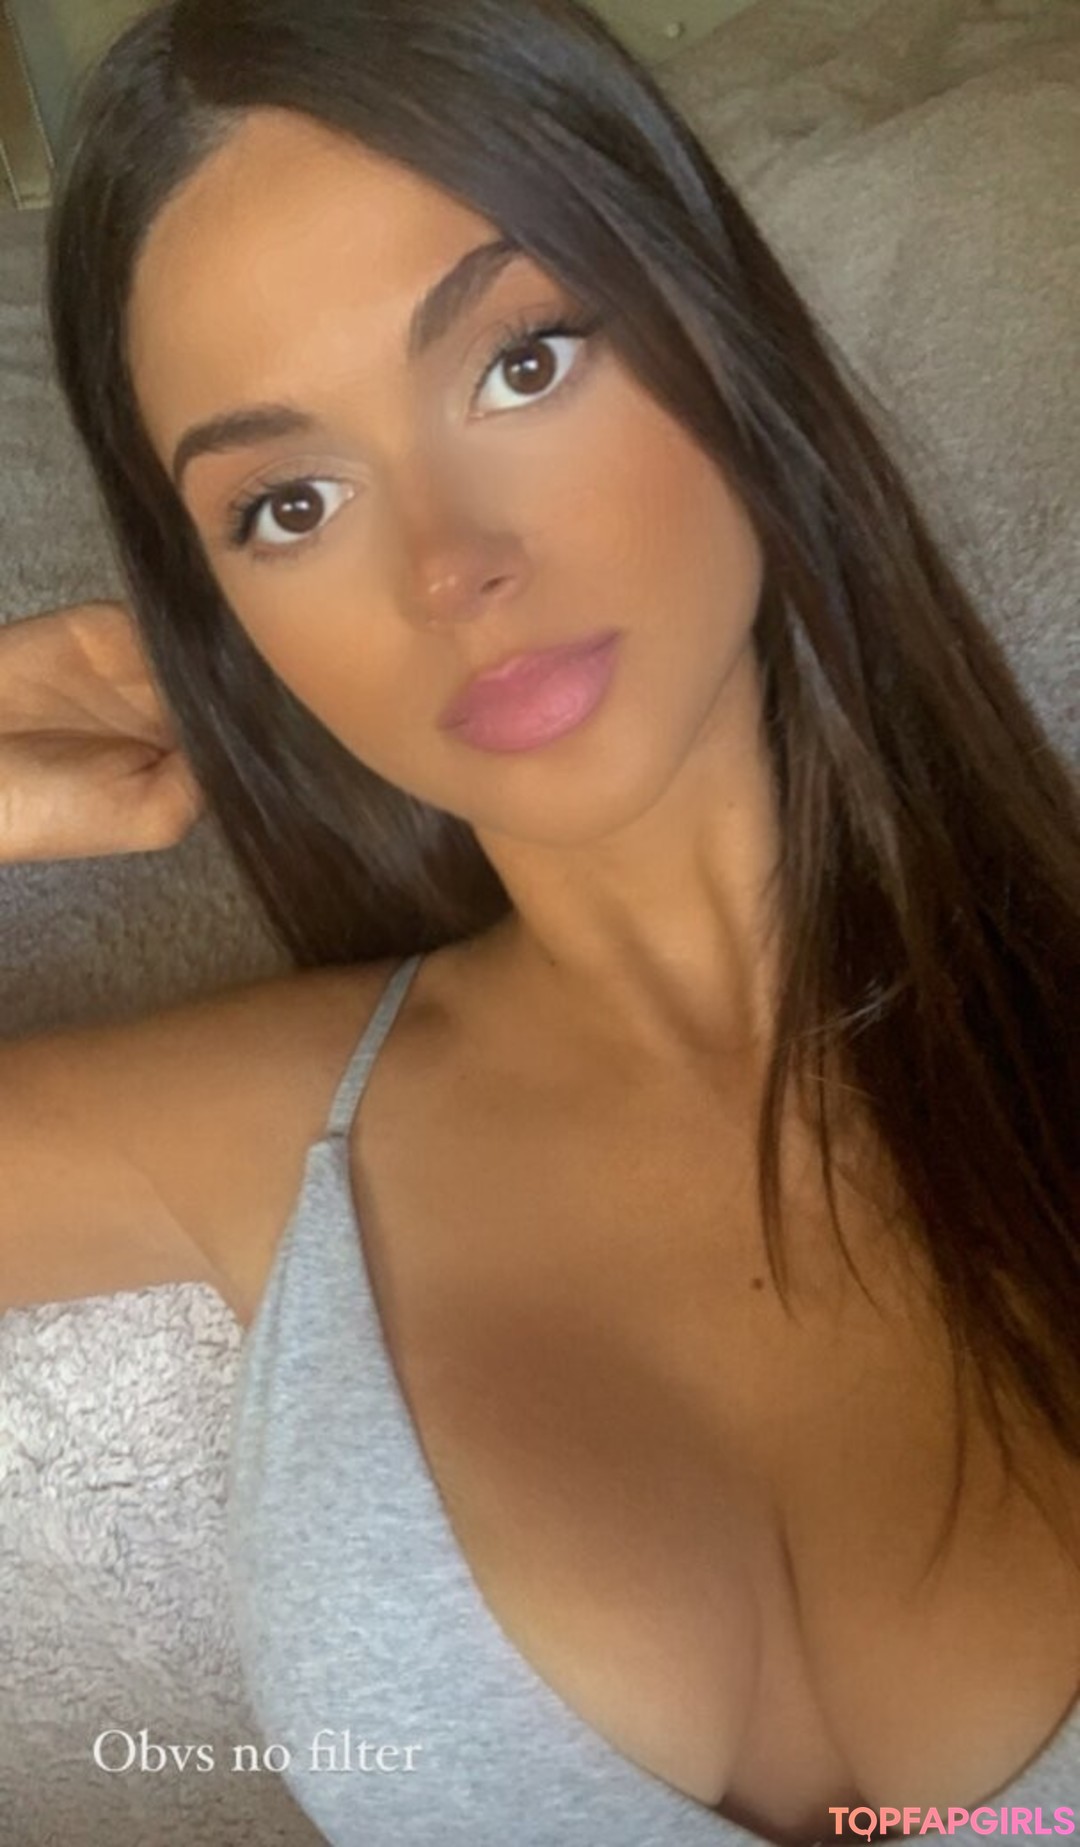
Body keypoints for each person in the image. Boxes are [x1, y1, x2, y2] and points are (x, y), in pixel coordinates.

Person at [1, 0, 1077, 1842]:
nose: (448, 566)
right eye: (288, 502)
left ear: (717, 329)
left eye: (521, 361)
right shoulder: (263, 1127)